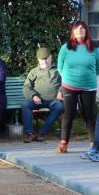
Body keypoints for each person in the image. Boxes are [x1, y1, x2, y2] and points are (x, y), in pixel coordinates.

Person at [57, 20, 99, 153]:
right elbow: (60, 66)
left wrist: (89, 77)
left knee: (89, 115)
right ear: (73, 32)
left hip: (89, 86)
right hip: (69, 86)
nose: (79, 31)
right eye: (76, 29)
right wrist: (68, 79)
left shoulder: (94, 48)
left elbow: (98, 67)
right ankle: (64, 142)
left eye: (82, 29)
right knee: (69, 114)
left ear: (86, 31)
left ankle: (94, 144)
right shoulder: (66, 47)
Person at [22, 47, 64, 143]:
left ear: (50, 58)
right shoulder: (34, 71)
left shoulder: (58, 70)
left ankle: (42, 133)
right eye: (41, 59)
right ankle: (29, 134)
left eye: (46, 59)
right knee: (25, 105)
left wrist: (60, 92)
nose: (44, 61)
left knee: (59, 106)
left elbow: (65, 83)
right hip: (37, 100)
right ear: (38, 59)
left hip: (53, 100)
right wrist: (33, 96)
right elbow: (26, 86)